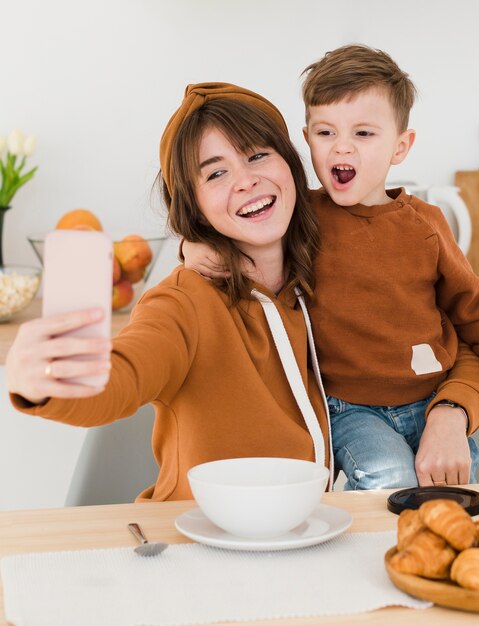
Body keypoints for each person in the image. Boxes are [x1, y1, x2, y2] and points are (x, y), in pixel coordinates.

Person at [183, 45, 479, 491]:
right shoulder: (297, 215)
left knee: (451, 490)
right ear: (307, 140)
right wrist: (193, 246)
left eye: (363, 134)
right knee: (391, 478)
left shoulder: (426, 224)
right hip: (347, 408)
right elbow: (239, 228)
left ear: (400, 146)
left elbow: (476, 308)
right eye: (326, 132)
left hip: (431, 397)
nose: (341, 147)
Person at [5, 83, 332, 501]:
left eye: (257, 155)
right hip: (194, 549)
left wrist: (448, 407)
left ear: (290, 165)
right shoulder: (182, 302)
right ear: (192, 206)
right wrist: (42, 382)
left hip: (301, 535)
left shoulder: (325, 273)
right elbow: (124, 376)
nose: (246, 180)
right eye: (216, 173)